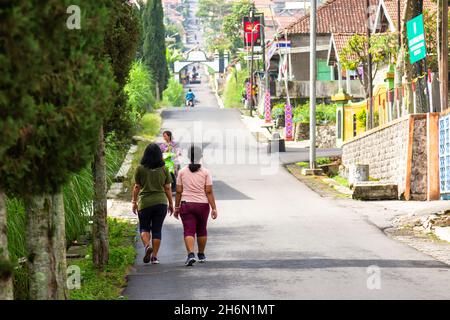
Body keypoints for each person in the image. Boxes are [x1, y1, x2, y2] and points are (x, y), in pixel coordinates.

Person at [175, 145, 218, 266]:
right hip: (202, 205)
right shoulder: (206, 172)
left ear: (188, 157)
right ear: (201, 157)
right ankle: (201, 254)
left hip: (186, 205)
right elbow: (208, 191)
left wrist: (176, 207)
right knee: (201, 229)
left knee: (189, 230)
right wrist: (214, 208)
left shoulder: (182, 172)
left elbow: (178, 191)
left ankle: (190, 255)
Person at [132, 143, 174, 265]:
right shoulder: (164, 169)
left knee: (144, 227)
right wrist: (171, 203)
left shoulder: (140, 168)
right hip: (161, 202)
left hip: (145, 203)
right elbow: (167, 188)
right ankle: (154, 256)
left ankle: (146, 246)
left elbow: (136, 187)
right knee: (157, 230)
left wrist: (134, 202)